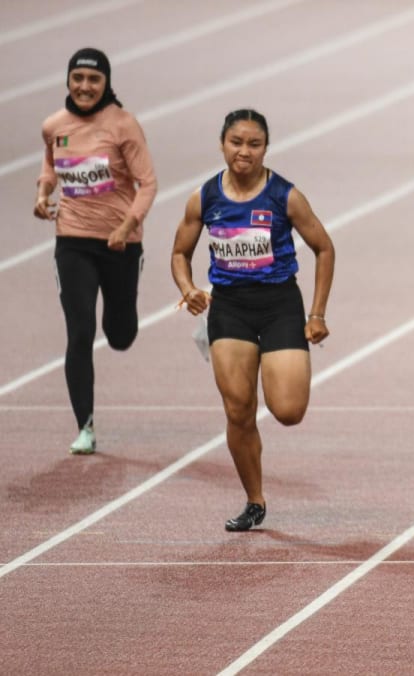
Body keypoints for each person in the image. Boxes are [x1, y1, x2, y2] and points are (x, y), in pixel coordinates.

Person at [170, 109, 335, 532]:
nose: (244, 151)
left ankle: (278, 371)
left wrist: (316, 313)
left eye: (254, 144)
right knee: (239, 410)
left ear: (266, 147)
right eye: (236, 142)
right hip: (229, 309)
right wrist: (188, 288)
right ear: (223, 144)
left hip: (279, 304)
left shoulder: (284, 195)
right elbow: (179, 253)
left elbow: (324, 247)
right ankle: (254, 500)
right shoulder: (204, 197)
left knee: (288, 410)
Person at [33, 47, 158, 455]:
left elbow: (149, 183)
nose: (85, 87)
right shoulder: (54, 125)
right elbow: (51, 165)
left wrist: (127, 225)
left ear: (106, 83)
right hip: (72, 240)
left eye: (94, 80)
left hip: (120, 244)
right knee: (80, 330)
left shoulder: (122, 125)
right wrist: (43, 192)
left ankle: (123, 315)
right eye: (78, 79)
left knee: (119, 336)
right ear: (68, 81)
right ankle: (84, 425)